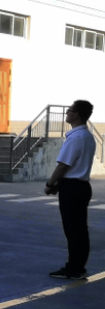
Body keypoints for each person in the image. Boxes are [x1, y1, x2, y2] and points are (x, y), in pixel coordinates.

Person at [45, 100, 96, 280]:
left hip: (73, 188)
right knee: (80, 228)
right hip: (81, 185)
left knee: (73, 230)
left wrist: (50, 184)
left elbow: (63, 166)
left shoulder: (75, 137)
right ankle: (78, 266)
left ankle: (74, 268)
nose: (67, 113)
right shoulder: (87, 136)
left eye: (70, 110)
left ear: (76, 115)